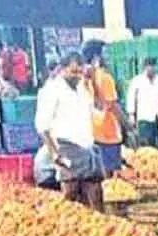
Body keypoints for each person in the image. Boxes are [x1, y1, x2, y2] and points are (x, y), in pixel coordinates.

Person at [35, 51, 104, 212]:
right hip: (66, 146)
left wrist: (93, 81)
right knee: (70, 192)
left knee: (95, 193)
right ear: (62, 69)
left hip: (87, 146)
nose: (77, 76)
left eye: (80, 72)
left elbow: (99, 109)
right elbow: (42, 125)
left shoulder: (82, 88)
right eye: (73, 72)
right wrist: (54, 153)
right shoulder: (52, 90)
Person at [81, 40, 126, 177]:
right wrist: (128, 126)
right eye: (105, 53)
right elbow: (112, 106)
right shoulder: (105, 78)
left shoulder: (83, 78)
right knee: (112, 176)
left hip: (93, 132)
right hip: (109, 133)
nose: (108, 57)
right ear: (96, 57)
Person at [127, 58, 158, 149]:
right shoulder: (137, 81)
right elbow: (131, 99)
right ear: (145, 67)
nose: (152, 69)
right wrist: (131, 115)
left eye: (154, 66)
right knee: (147, 145)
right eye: (149, 67)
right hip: (144, 118)